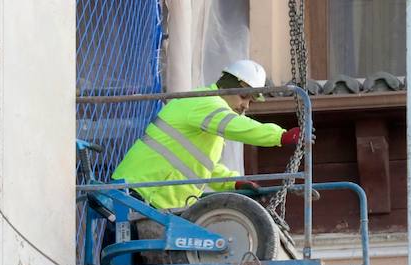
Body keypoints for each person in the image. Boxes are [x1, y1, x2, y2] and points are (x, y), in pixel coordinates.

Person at [111, 60, 304, 210]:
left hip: (147, 196)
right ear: (230, 86)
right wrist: (281, 136)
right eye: (244, 97)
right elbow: (237, 126)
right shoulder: (205, 102)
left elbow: (201, 166)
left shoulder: (207, 114)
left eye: (251, 101)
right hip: (139, 194)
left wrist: (233, 183)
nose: (245, 106)